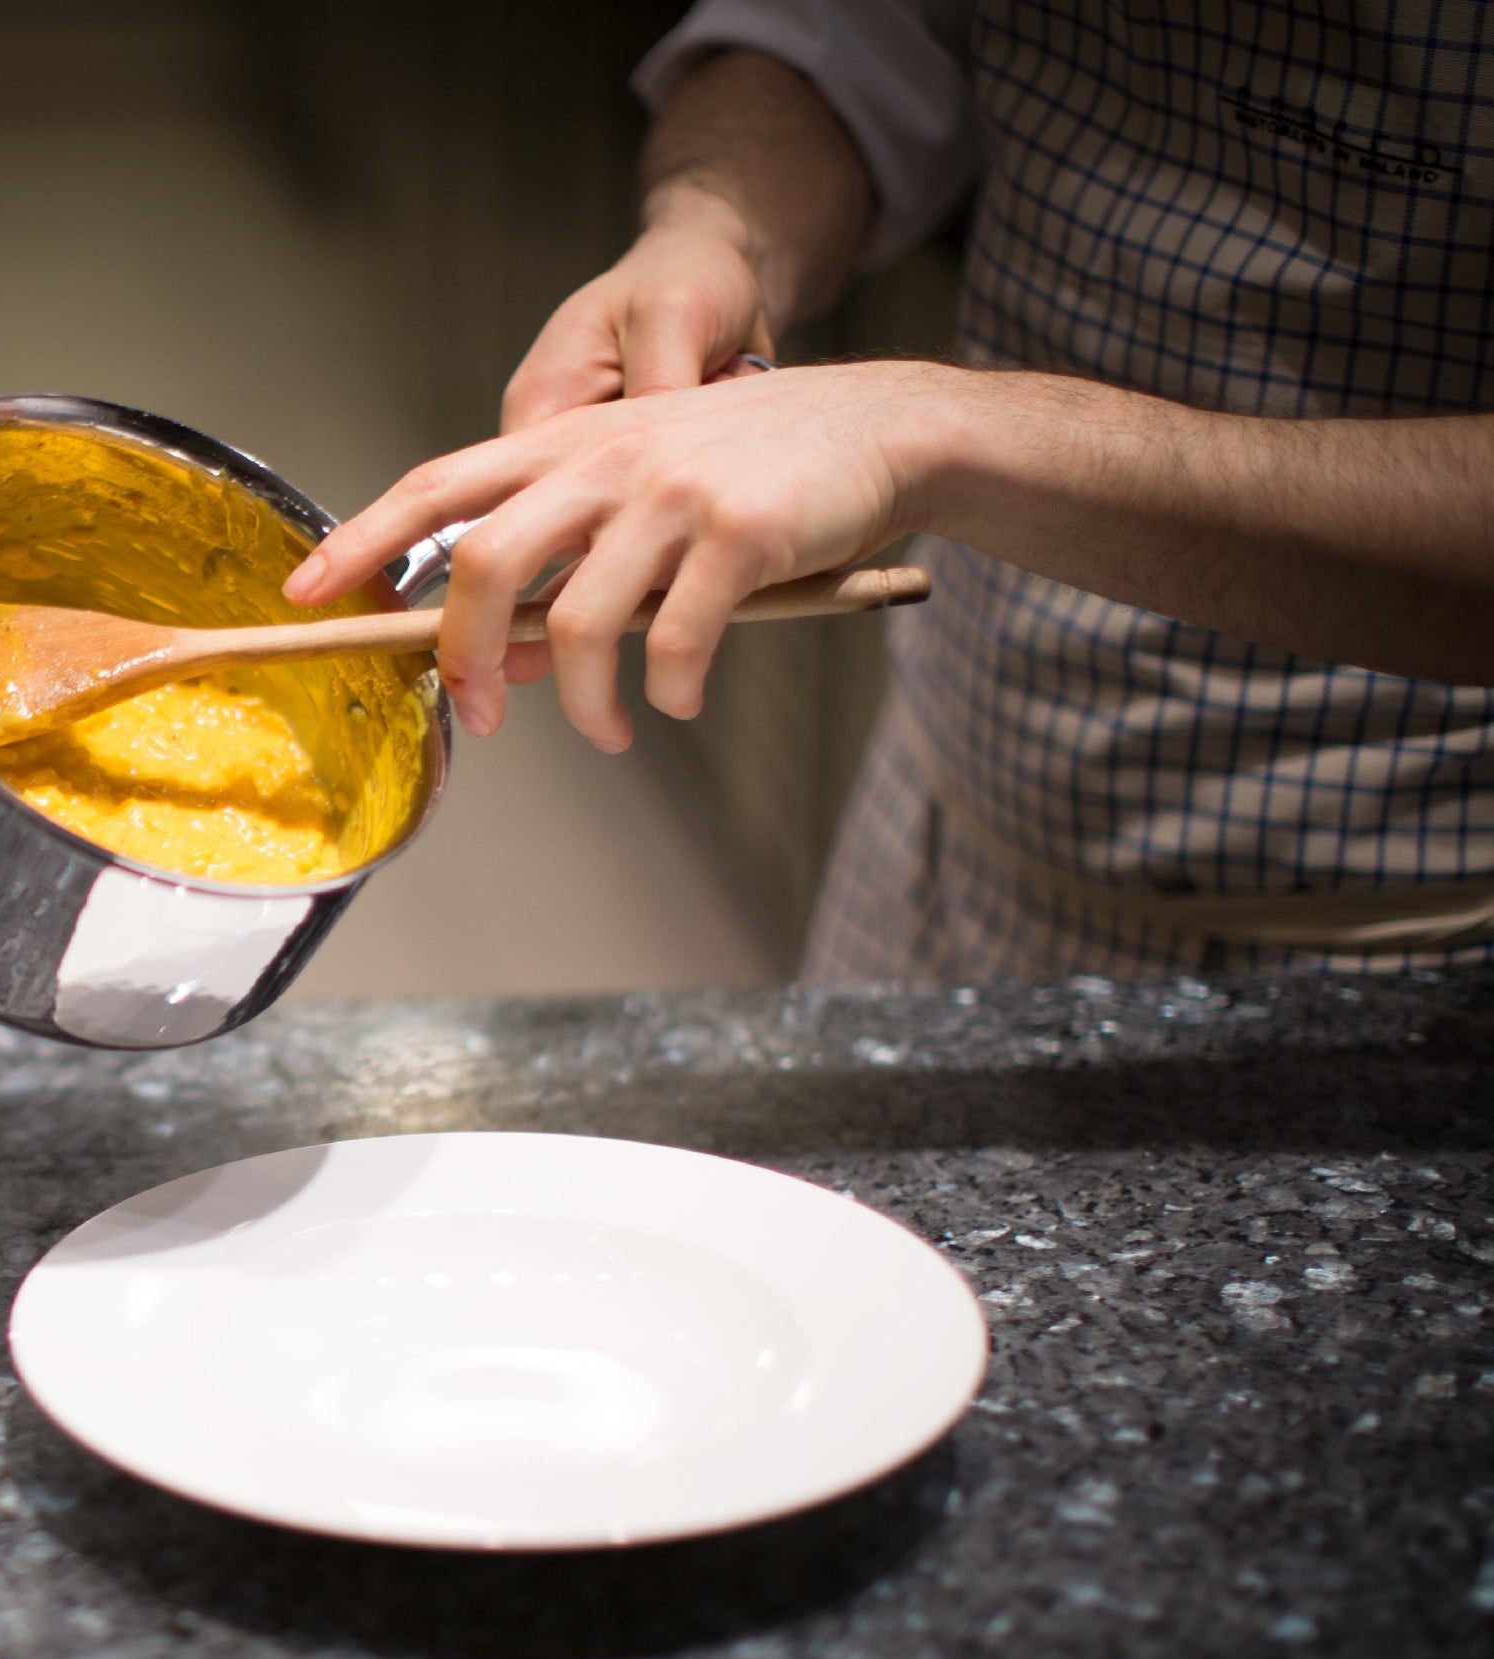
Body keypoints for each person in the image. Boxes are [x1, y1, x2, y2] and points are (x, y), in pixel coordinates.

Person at [285, 1, 1494, 981]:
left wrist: (938, 428)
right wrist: (718, 226)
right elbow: (860, 33)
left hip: (1406, 936)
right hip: (944, 807)